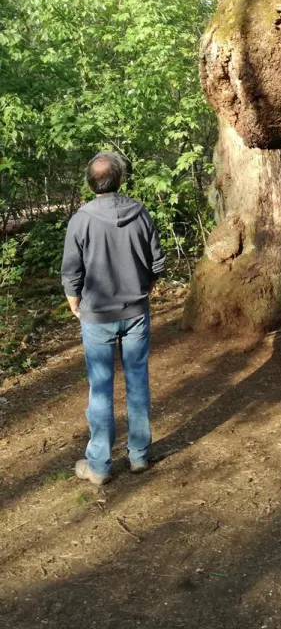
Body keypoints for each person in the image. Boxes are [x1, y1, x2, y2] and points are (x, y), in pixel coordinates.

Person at [61, 151, 165, 486]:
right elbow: (157, 263)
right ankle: (138, 456)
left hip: (97, 315)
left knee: (101, 388)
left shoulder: (81, 219)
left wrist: (73, 298)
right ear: (120, 178)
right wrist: (143, 288)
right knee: (137, 382)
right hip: (136, 312)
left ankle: (100, 466)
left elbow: (71, 268)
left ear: (91, 183)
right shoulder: (140, 213)